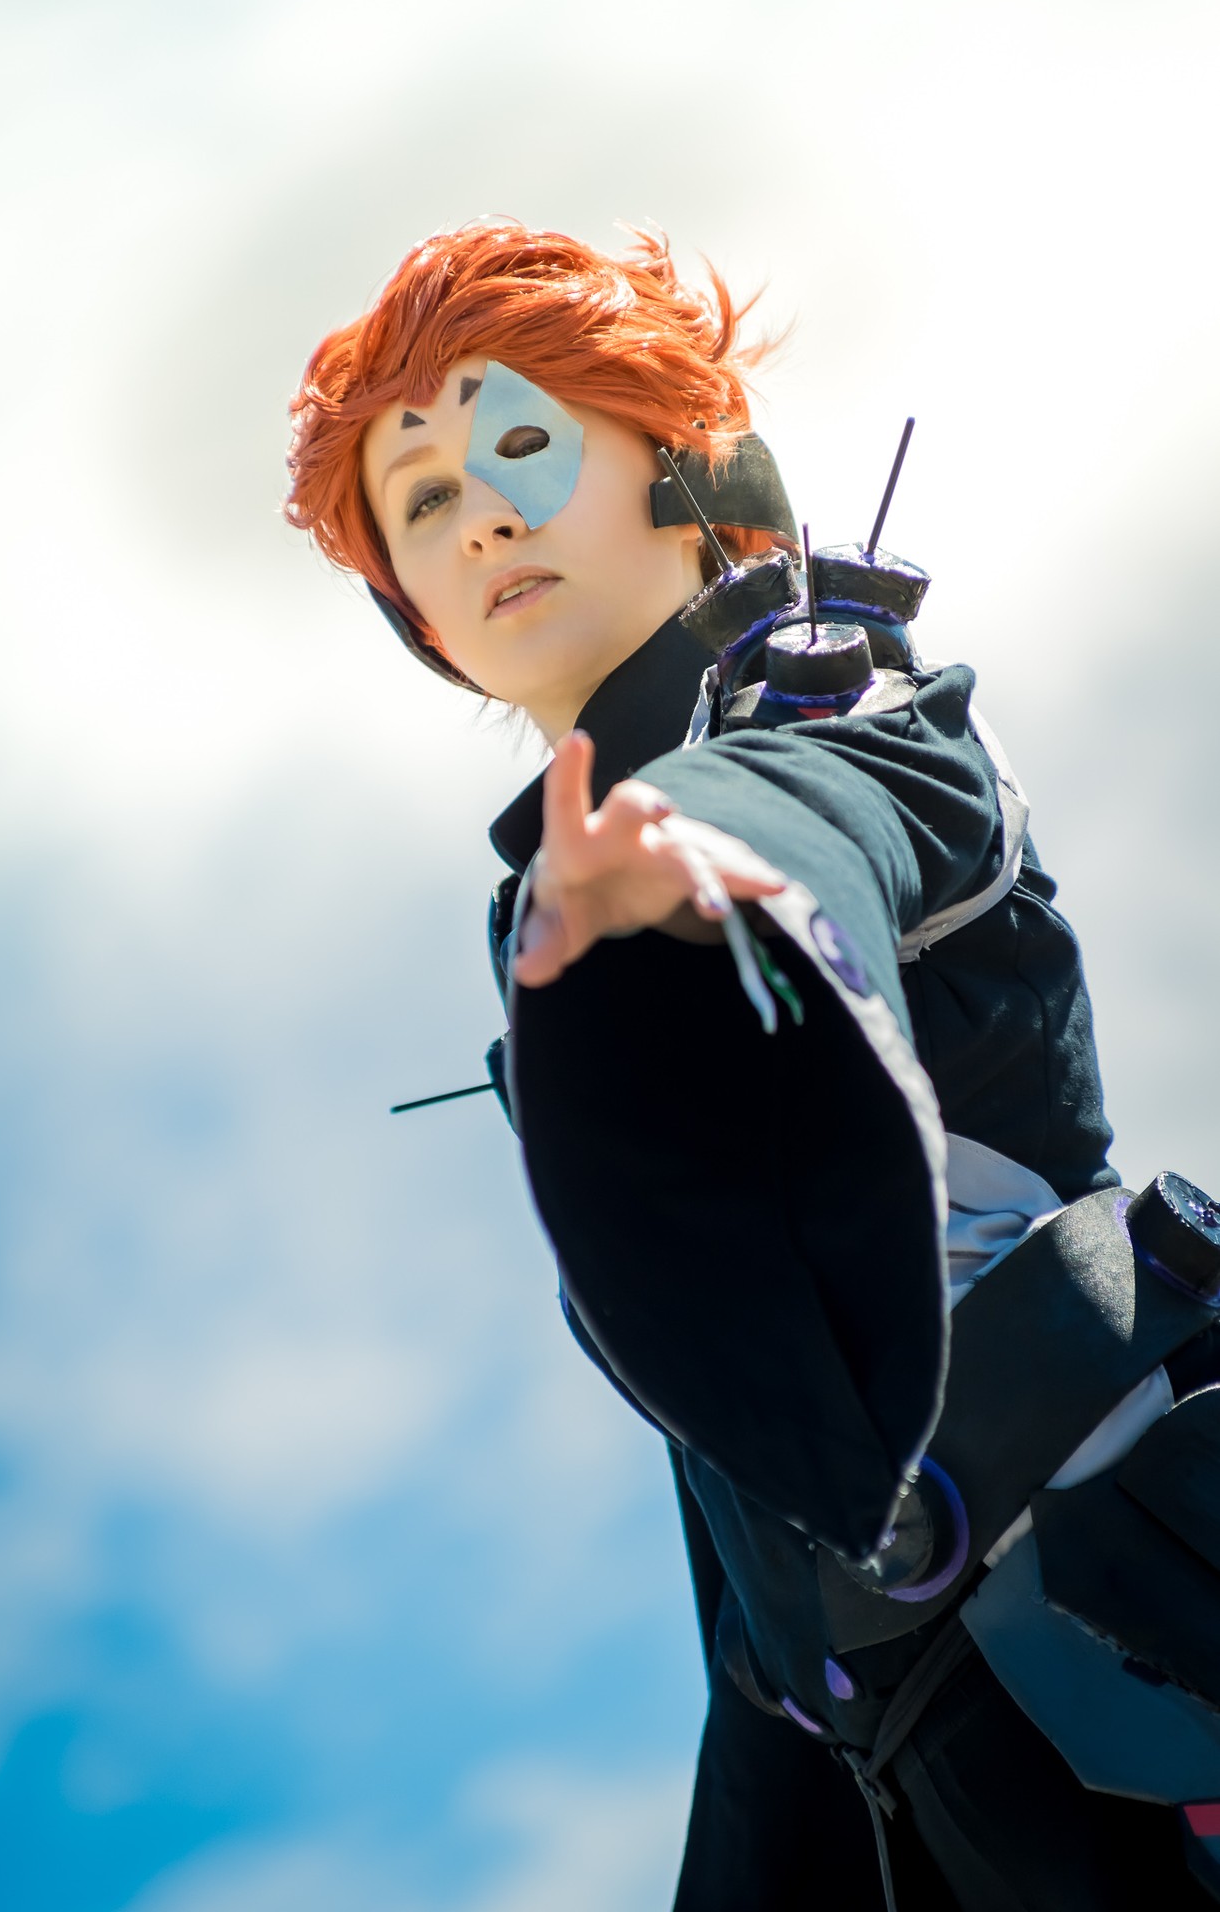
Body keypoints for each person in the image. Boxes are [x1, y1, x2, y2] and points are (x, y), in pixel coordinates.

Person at [285, 222, 1220, 1909]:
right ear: (411, 612)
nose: (478, 512)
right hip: (918, 1745)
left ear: (692, 465)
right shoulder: (562, 916)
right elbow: (748, 1506)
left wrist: (711, 871)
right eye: (420, 500)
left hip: (1160, 1603)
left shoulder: (849, 710)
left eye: (521, 440)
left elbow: (811, 805)